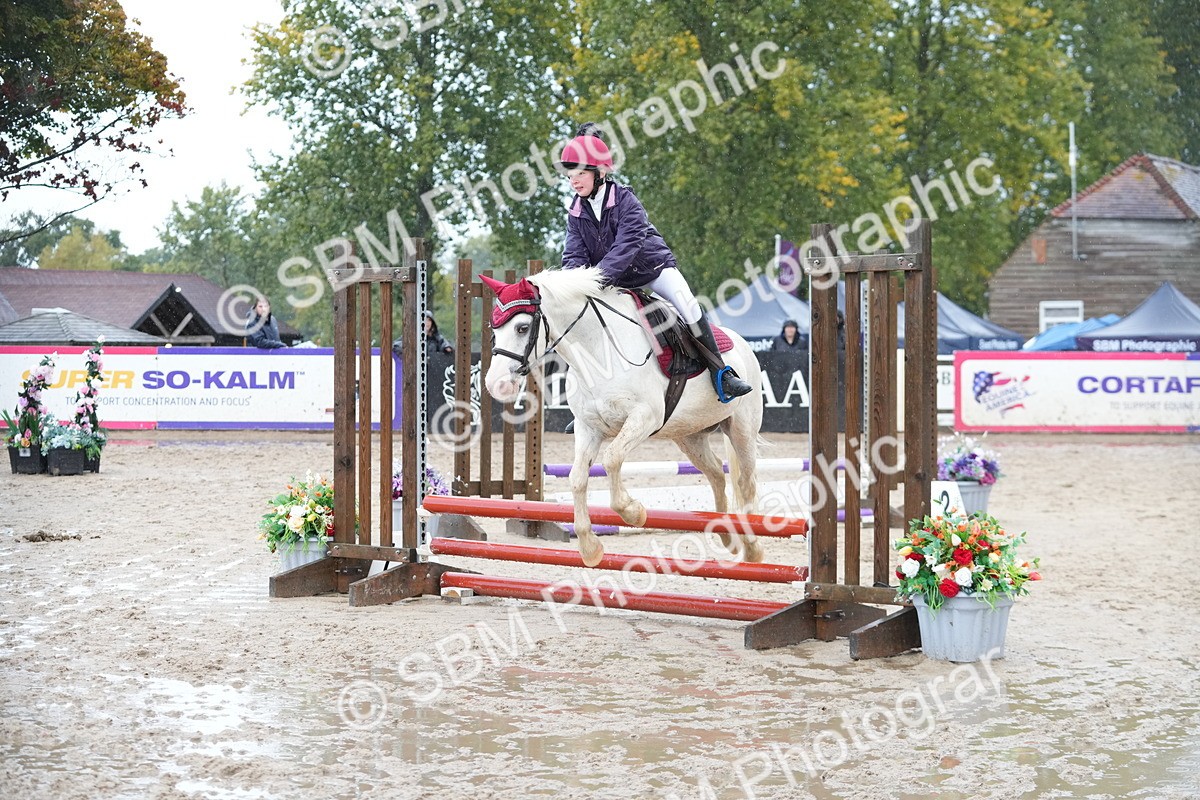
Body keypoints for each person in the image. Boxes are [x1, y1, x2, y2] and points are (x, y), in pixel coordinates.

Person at [556, 122, 752, 402]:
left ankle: (721, 373)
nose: (574, 181)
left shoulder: (626, 201)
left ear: (600, 173)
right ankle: (590, 402)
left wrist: (597, 278)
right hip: (614, 280)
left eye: (580, 174)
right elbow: (574, 255)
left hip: (651, 269)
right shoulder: (576, 212)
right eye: (570, 176)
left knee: (687, 304)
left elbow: (627, 246)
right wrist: (573, 285)